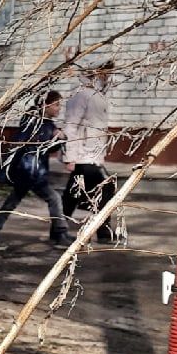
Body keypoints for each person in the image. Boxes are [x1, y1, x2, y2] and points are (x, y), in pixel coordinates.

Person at [0, 91, 70, 250]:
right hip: (29, 171)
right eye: (57, 105)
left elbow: (48, 147)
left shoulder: (45, 122)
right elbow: (33, 143)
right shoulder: (33, 120)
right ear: (45, 104)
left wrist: (59, 138)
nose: (59, 109)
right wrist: (55, 137)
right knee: (54, 198)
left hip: (32, 171)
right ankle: (60, 235)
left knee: (12, 202)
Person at [60, 60, 118, 243]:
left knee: (74, 193)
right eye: (105, 72)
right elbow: (70, 126)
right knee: (107, 188)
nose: (108, 76)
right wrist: (70, 157)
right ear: (95, 72)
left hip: (92, 155)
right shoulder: (82, 95)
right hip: (84, 156)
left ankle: (58, 230)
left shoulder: (97, 94)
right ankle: (103, 232)